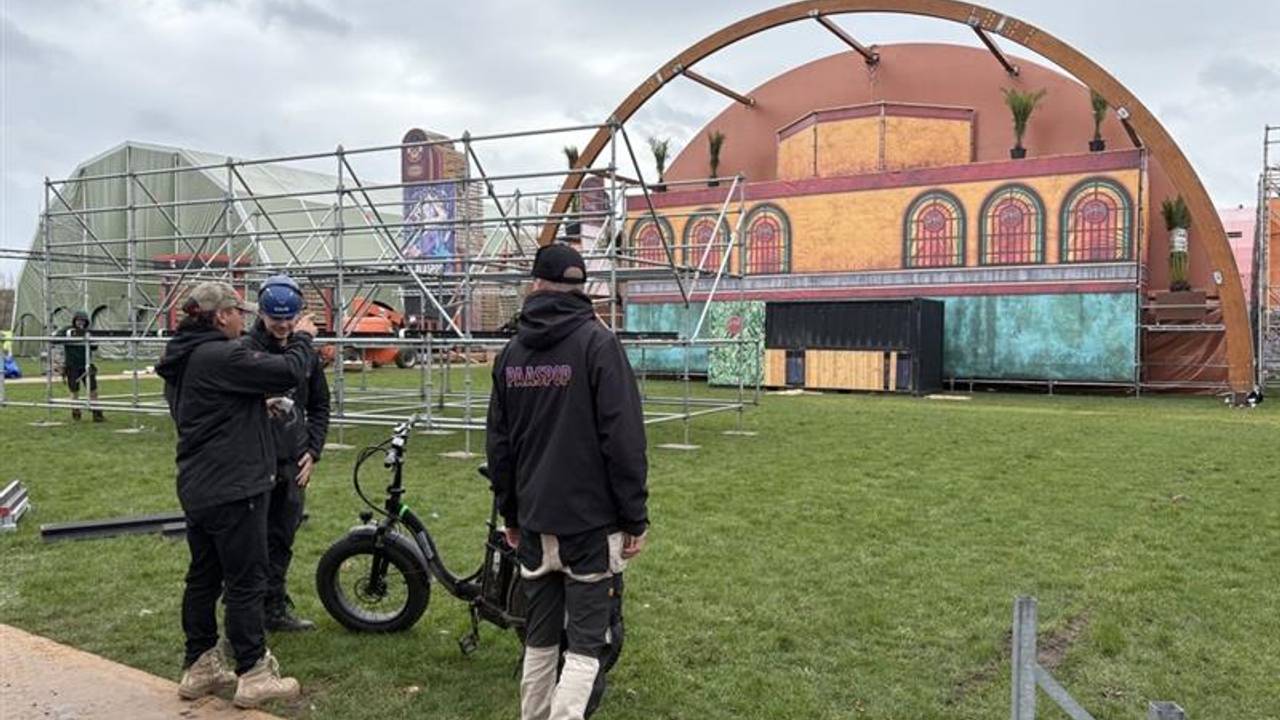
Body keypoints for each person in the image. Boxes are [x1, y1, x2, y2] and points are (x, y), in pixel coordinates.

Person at [486, 243, 650, 720]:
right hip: (590, 527)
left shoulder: (511, 354)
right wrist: (633, 518)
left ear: (536, 285)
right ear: (582, 289)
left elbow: (500, 448)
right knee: (584, 647)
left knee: (538, 642)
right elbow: (624, 442)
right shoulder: (599, 345)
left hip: (535, 522)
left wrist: (512, 514)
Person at [155, 281, 316, 709]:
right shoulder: (221, 354)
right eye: (237, 312)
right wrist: (303, 337)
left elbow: (206, 410)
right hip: (235, 486)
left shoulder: (185, 355)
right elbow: (288, 372)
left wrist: (248, 411)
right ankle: (253, 671)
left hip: (199, 484)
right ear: (220, 315)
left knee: (203, 577)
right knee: (246, 580)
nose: (243, 319)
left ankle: (200, 664)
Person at [240, 274, 330, 632]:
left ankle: (274, 607)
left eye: (289, 319)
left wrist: (313, 450)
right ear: (261, 314)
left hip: (292, 462)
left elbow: (320, 404)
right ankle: (247, 612)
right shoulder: (245, 350)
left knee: (282, 538)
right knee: (252, 542)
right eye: (276, 319)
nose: (283, 326)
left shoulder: (305, 354)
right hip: (254, 462)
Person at [56, 310, 103, 422]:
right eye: (78, 320)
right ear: (74, 321)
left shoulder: (88, 332)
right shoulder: (67, 331)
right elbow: (55, 339)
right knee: (74, 391)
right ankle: (76, 412)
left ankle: (97, 413)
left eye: (83, 321)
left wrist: (91, 340)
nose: (80, 323)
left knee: (93, 390)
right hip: (72, 366)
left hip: (86, 365)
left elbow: (94, 347)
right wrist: (67, 337)